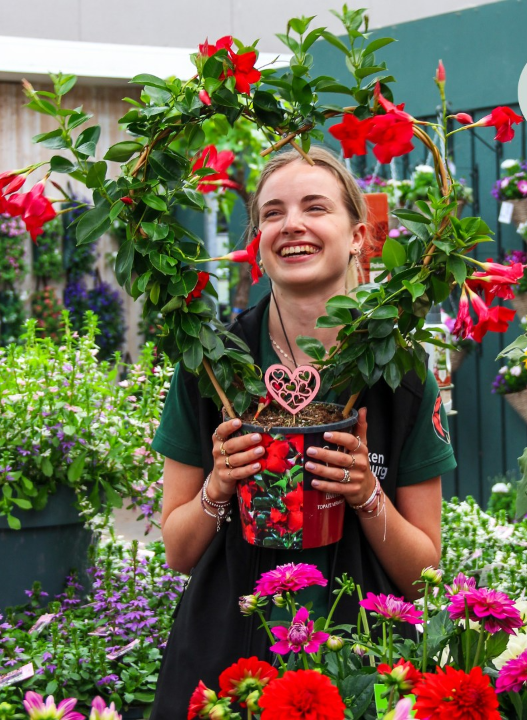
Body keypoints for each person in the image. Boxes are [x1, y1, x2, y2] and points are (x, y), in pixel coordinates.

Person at [149, 146, 456, 718]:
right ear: (258, 246)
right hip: (229, 662)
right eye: (272, 213)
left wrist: (367, 495)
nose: (291, 224)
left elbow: (425, 581)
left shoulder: (402, 375)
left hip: (366, 663)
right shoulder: (211, 364)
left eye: (315, 207)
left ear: (360, 235)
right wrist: (217, 488)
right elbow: (177, 551)